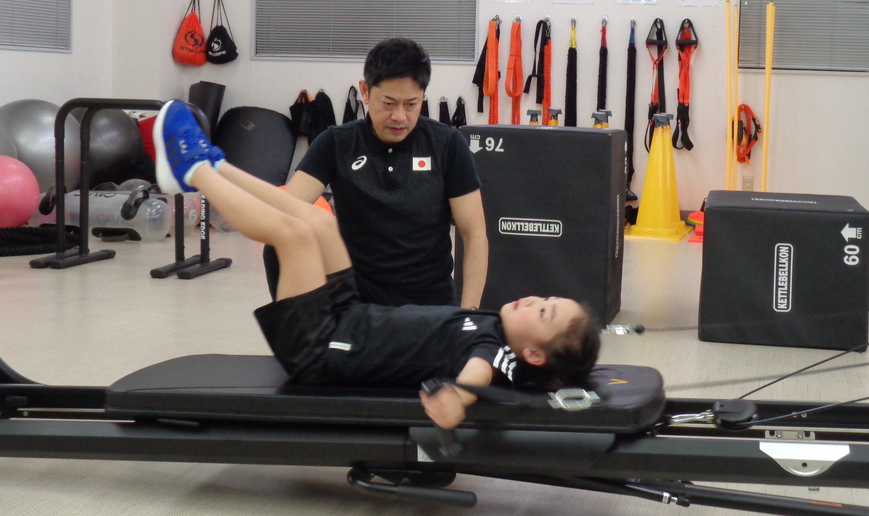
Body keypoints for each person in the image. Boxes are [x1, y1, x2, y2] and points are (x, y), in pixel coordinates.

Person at [153, 100, 599, 429]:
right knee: (320, 223)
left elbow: (475, 377)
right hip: (349, 314)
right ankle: (215, 163)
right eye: (546, 298)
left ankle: (194, 171)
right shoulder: (495, 327)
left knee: (293, 235)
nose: (533, 300)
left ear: (533, 354)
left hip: (319, 349)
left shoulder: (495, 352)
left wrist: (457, 400)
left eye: (544, 312)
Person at [271, 37, 488, 309]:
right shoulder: (336, 143)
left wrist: (468, 316)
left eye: (411, 104)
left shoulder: (447, 144)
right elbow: (285, 210)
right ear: (365, 91)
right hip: (357, 302)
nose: (399, 117)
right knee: (278, 241)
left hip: (429, 303)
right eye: (388, 103)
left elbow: (474, 234)